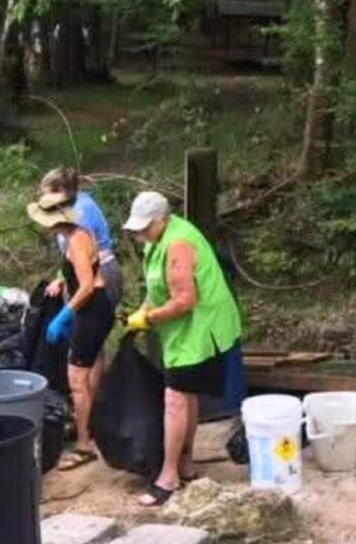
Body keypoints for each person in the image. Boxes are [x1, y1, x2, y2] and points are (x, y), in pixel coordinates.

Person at [121, 191, 243, 507]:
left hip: (202, 328)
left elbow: (185, 301)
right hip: (182, 332)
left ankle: (169, 476)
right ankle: (186, 464)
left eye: (146, 227)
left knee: (175, 398)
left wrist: (148, 318)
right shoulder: (156, 241)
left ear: (163, 219)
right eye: (138, 229)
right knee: (185, 395)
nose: (141, 234)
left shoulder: (178, 243)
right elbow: (156, 287)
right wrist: (144, 310)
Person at [27, 191, 115, 470]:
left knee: (77, 380)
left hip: (92, 309)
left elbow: (87, 285)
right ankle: (87, 429)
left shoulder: (77, 240)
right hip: (90, 309)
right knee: (81, 376)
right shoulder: (75, 234)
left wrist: (65, 315)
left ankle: (84, 445)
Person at [38, 167, 123, 308]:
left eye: (47, 195)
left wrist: (61, 280)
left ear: (60, 190)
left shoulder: (80, 212)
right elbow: (69, 254)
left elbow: (82, 254)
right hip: (81, 271)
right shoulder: (69, 207)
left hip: (98, 272)